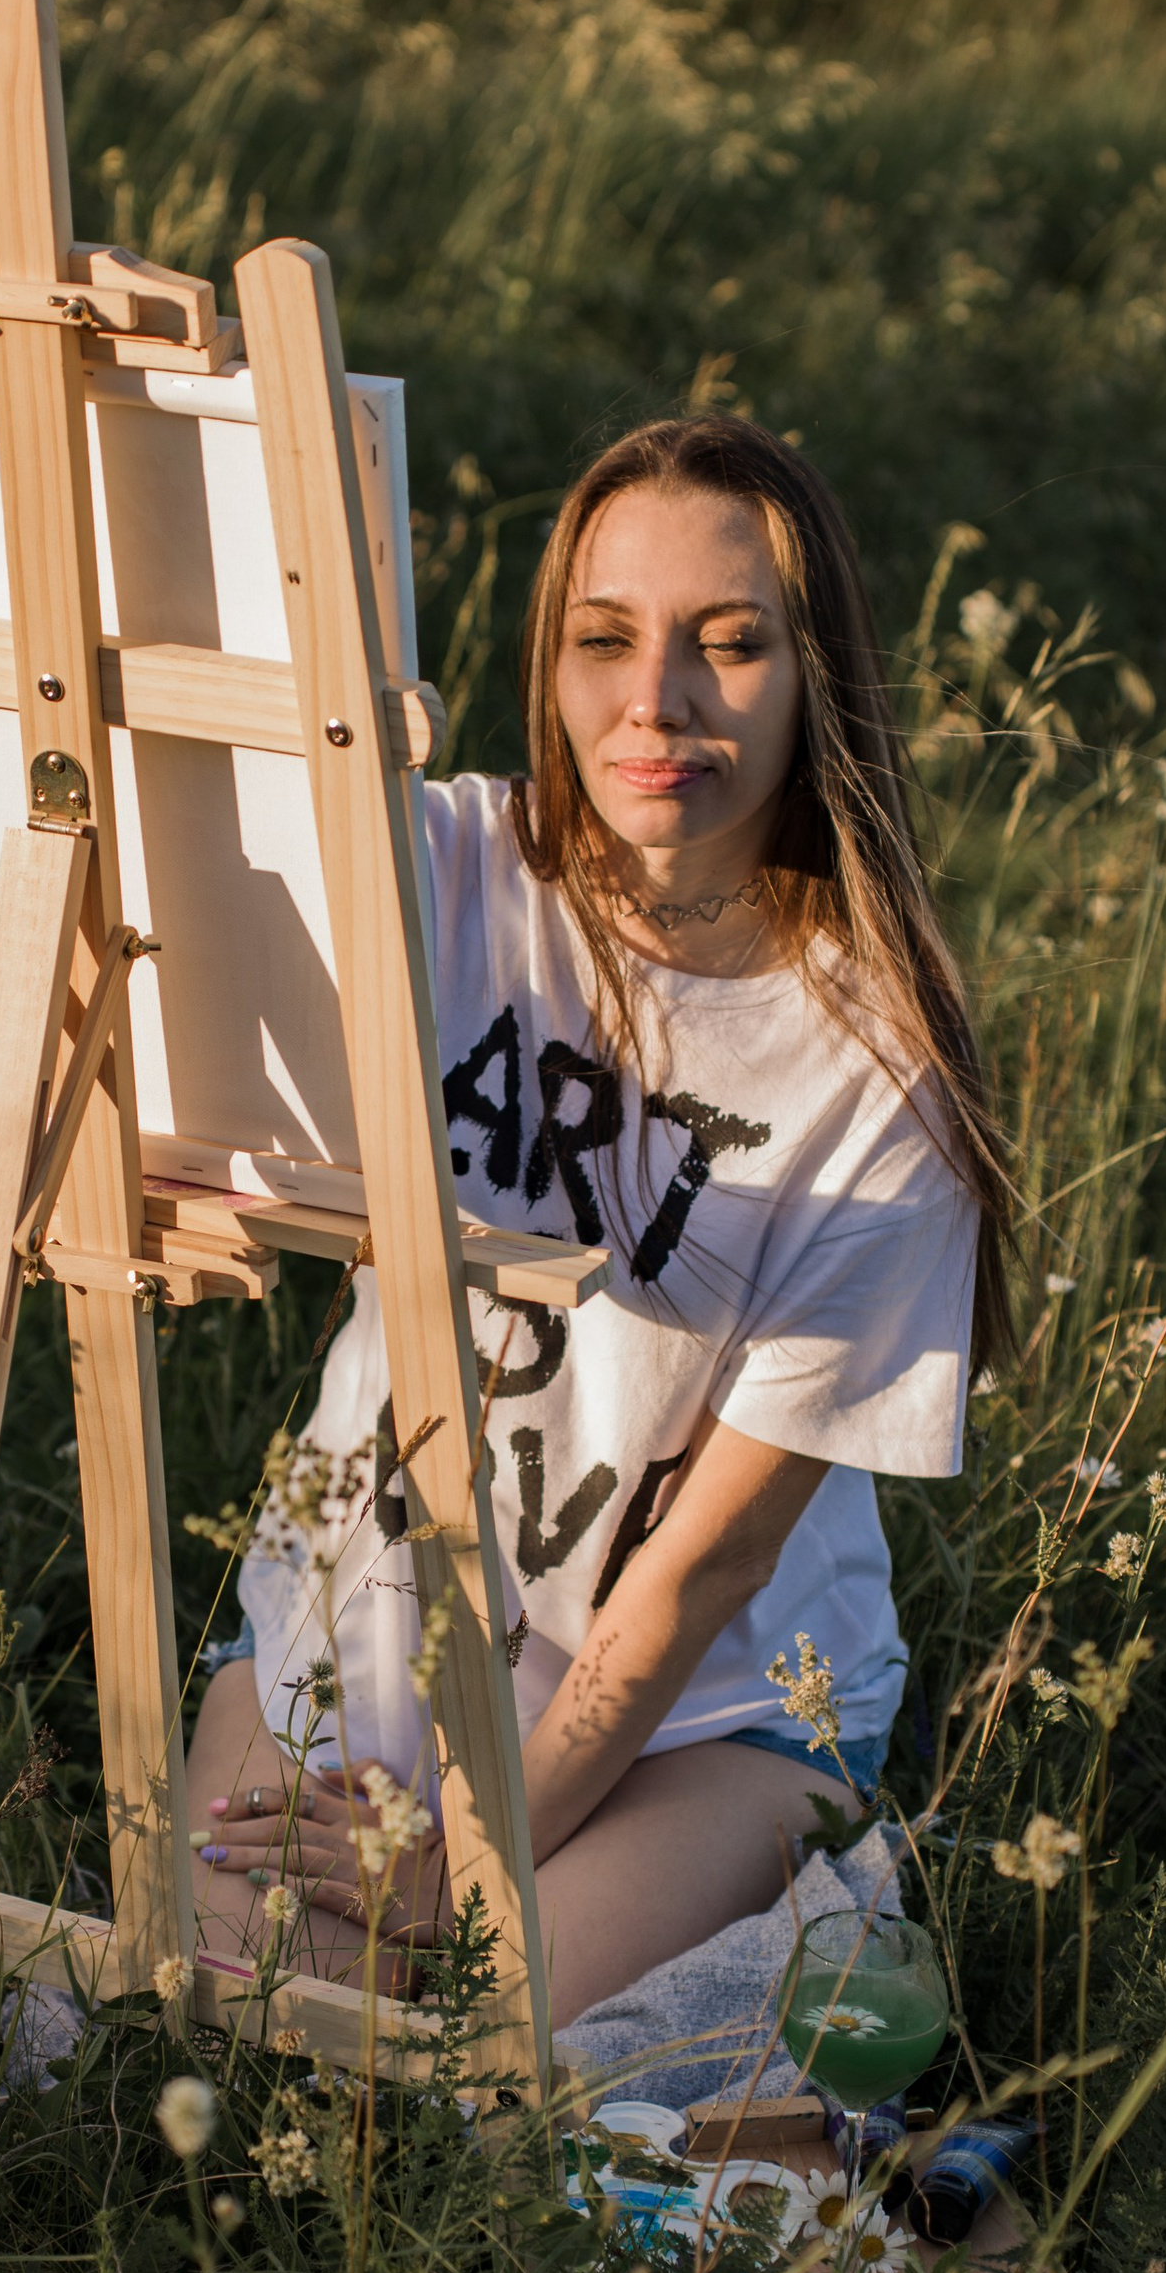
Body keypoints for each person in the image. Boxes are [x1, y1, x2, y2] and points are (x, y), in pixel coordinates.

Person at [184, 411, 1014, 2020]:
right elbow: (180, 825)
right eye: (606, 639)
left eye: (730, 644)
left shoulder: (878, 1075)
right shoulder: (438, 866)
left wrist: (464, 1859)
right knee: (244, 2016)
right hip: (372, 1614)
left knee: (494, 2064)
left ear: (814, 674)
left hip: (701, 1713)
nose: (658, 703)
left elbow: (703, 1574)